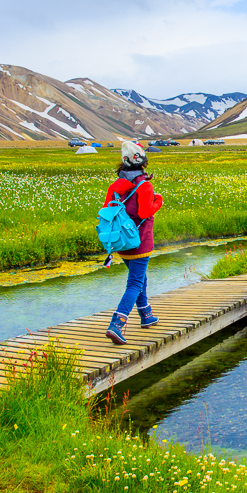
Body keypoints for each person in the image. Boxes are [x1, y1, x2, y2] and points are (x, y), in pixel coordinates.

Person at [104, 141, 164, 345]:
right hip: (141, 241)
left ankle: (146, 316)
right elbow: (144, 212)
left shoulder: (115, 186)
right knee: (135, 282)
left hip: (122, 242)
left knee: (139, 278)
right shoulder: (145, 185)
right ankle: (117, 324)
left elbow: (106, 210)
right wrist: (159, 201)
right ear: (142, 162)